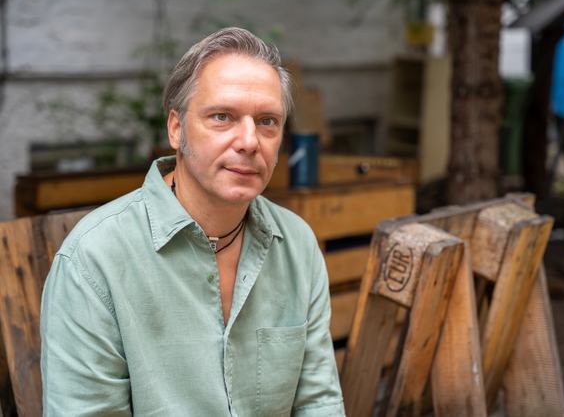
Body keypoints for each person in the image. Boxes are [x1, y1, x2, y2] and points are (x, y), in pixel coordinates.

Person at [41, 27, 345, 416]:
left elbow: (318, 403)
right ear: (176, 128)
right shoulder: (94, 260)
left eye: (267, 121)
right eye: (222, 117)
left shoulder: (296, 243)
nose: (250, 141)